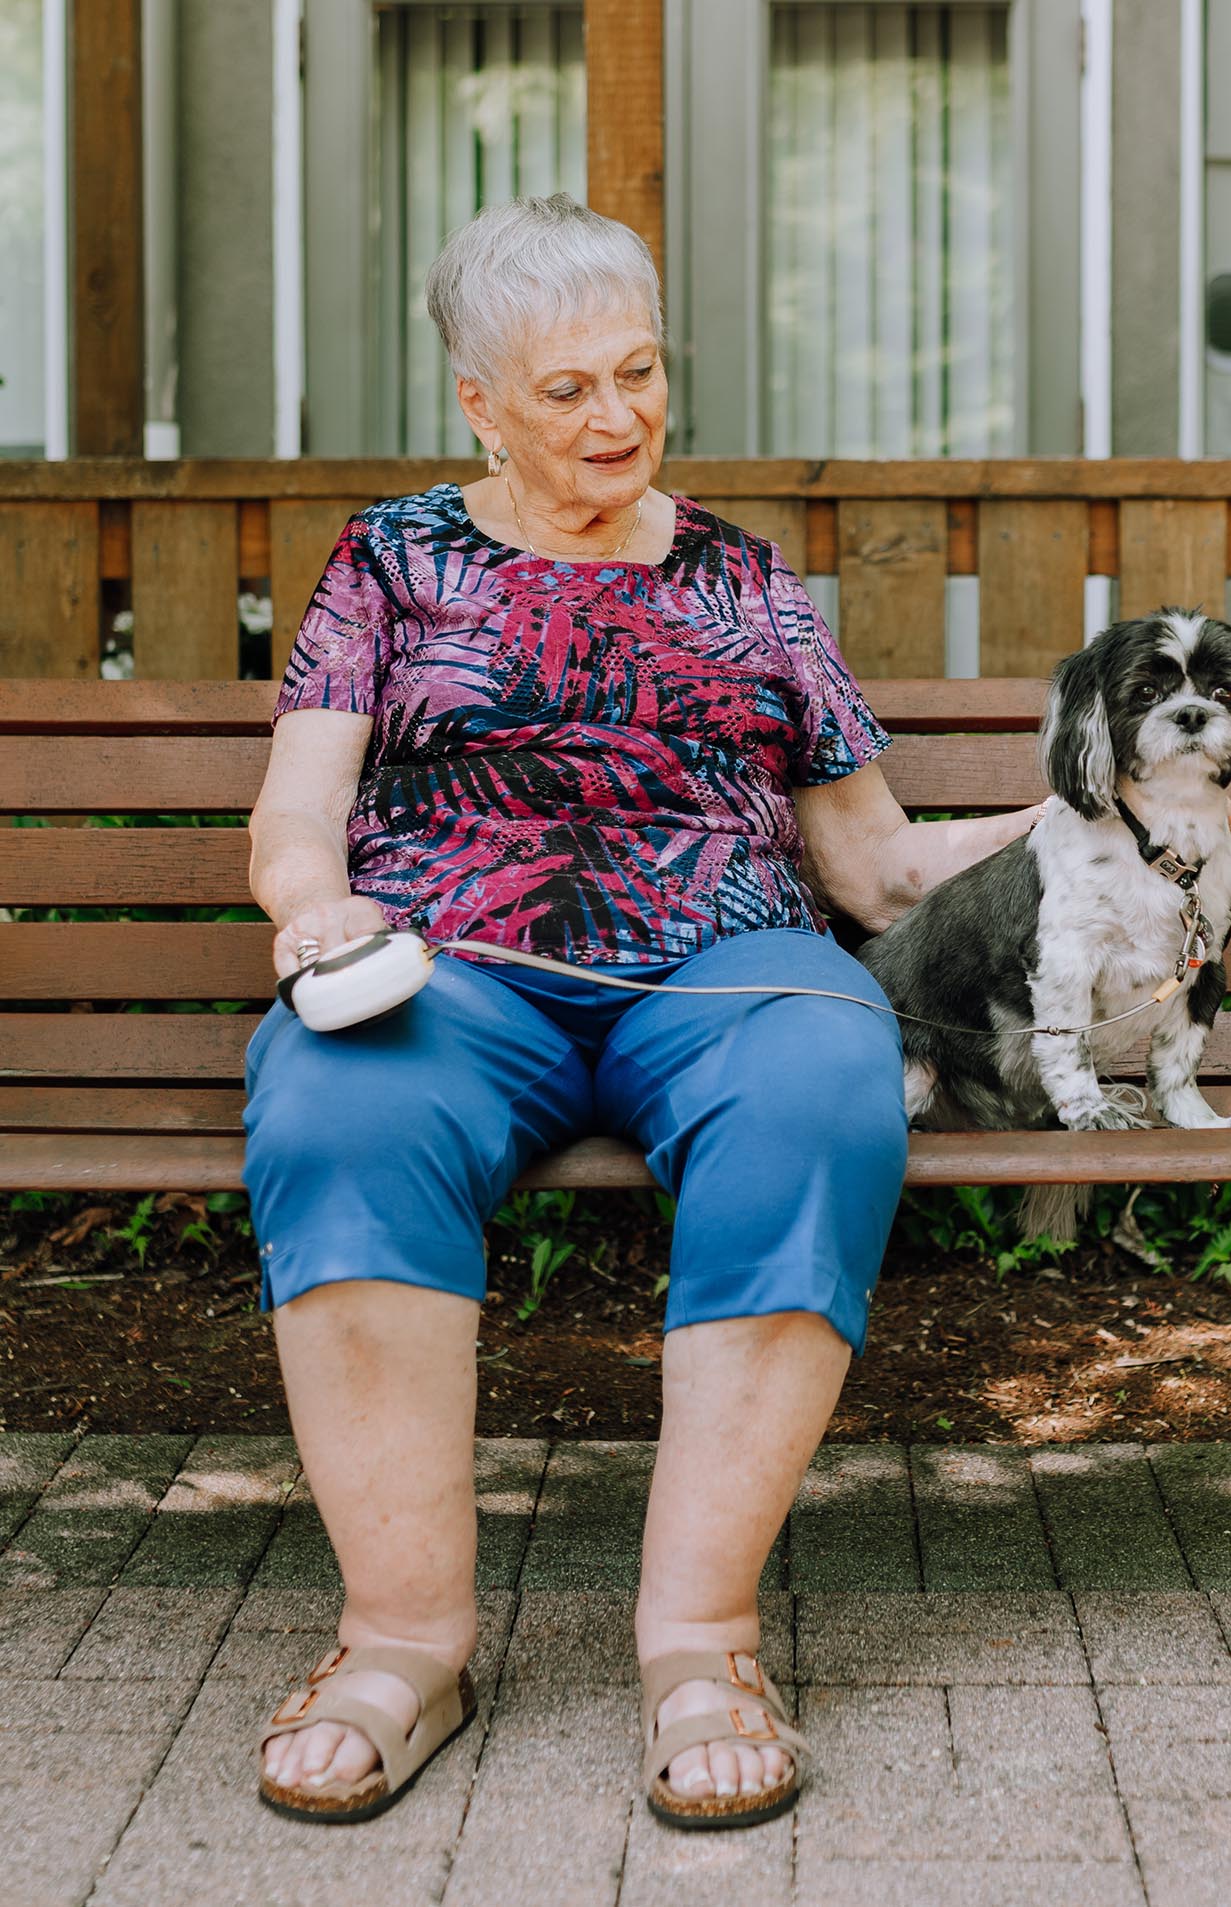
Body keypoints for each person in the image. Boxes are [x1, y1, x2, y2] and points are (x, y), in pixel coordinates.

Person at [241, 194, 1034, 1830]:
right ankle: (401, 1643)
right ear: (476, 400)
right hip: (451, 963)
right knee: (339, 1108)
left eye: (641, 373)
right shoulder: (393, 560)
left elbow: (876, 868)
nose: (617, 419)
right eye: (566, 390)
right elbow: (297, 807)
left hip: (723, 963)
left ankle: (701, 1640)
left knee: (828, 1083)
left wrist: (1077, 817)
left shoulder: (747, 585)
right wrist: (312, 906)